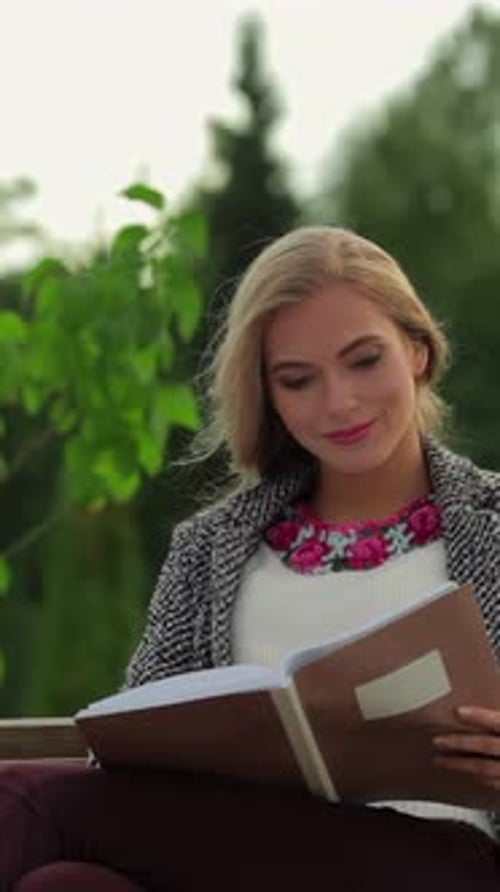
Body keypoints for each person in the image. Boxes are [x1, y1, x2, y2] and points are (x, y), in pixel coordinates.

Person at [2, 226, 500, 891]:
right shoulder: (208, 549)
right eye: (298, 380)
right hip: (238, 864)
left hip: (440, 870)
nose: (339, 402)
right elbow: (125, 760)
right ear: (267, 394)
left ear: (416, 350)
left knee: (33, 803)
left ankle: (33, 806)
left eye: (364, 360)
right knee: (61, 884)